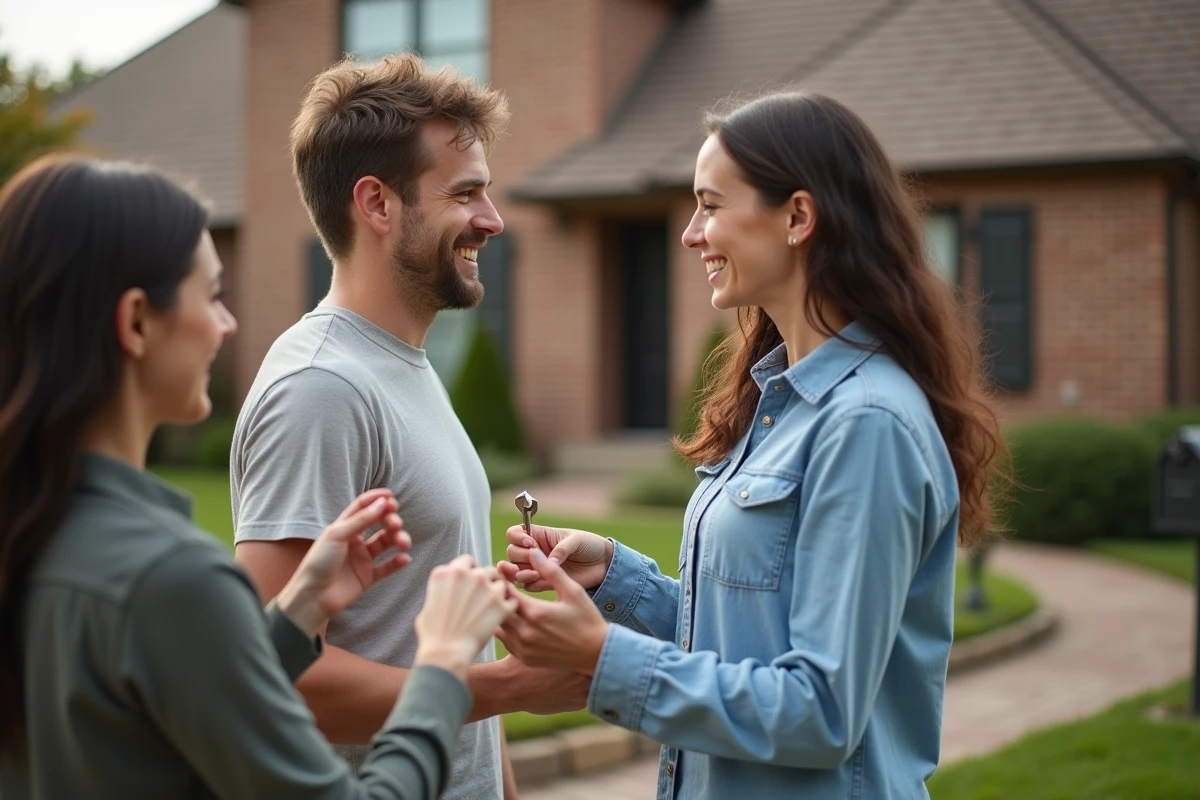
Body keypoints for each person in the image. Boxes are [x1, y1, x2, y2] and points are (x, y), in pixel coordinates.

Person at [496, 91, 1008, 799]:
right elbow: (751, 639)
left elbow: (821, 714)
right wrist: (618, 579)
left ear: (798, 217)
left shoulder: (865, 425)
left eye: (710, 205)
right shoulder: (780, 403)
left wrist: (601, 654)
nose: (689, 234)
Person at [0, 154, 519, 799]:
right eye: (212, 295)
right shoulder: (166, 574)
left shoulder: (42, 533)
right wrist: (444, 665)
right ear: (136, 323)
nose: (228, 323)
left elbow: (168, 712)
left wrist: (297, 613)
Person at [230, 54, 587, 800]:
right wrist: (509, 686)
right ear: (377, 204)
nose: (492, 220)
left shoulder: (402, 363)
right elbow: (275, 678)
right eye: (466, 193)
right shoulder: (321, 386)